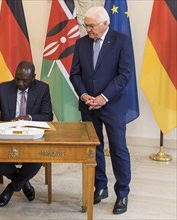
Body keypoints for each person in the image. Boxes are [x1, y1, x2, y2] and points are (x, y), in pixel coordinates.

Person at [70, 6, 135, 214]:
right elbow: (75, 74)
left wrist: (103, 97)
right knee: (94, 149)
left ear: (105, 24)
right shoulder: (81, 44)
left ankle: (122, 193)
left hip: (113, 105)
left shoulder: (121, 41)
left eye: (91, 26)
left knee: (118, 149)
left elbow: (124, 75)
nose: (87, 29)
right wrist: (84, 95)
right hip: (89, 105)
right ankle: (100, 187)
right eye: (86, 25)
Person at [0, 60, 53, 207]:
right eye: (17, 78)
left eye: (24, 80)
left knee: (36, 160)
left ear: (33, 77)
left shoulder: (42, 89)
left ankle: (11, 188)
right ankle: (24, 183)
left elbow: (48, 115)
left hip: (32, 138)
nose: (20, 83)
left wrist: (29, 117)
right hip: (7, 137)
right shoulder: (3, 88)